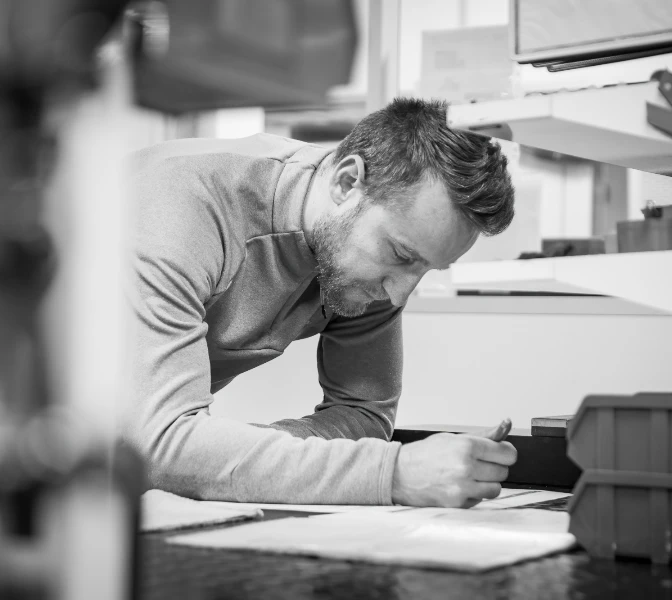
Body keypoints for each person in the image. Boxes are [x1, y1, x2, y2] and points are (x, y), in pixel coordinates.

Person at [124, 97, 516, 508]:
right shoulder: (180, 207)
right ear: (346, 184)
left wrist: (239, 457)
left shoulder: (370, 256)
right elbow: (159, 445)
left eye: (426, 269)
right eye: (401, 255)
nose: (399, 294)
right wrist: (393, 474)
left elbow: (364, 416)